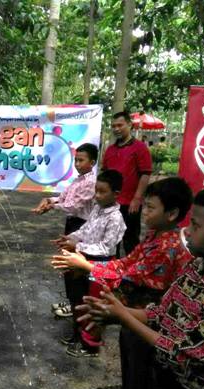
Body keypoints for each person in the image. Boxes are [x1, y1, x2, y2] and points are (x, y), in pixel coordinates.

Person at [79, 184, 204, 389]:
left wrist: (123, 316)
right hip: (167, 382)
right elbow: (161, 314)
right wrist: (115, 312)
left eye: (195, 225)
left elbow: (181, 354)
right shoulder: (196, 266)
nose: (187, 230)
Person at [53, 177, 194, 389]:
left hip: (149, 319)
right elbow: (126, 262)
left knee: (143, 375)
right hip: (130, 313)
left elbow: (129, 274)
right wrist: (86, 262)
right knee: (131, 367)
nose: (144, 212)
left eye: (150, 207)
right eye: (145, 205)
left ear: (171, 213)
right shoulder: (153, 237)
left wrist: (86, 265)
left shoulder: (168, 246)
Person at [51, 169, 126, 357]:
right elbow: (85, 229)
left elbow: (107, 248)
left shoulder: (115, 218)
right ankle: (77, 333)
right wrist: (71, 237)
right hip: (80, 258)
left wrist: (79, 245)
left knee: (92, 304)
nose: (97, 196)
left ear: (116, 194)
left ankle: (90, 345)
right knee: (76, 297)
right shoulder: (97, 209)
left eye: (102, 192)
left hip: (97, 266)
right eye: (96, 191)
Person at [32, 143, 98, 317]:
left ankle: (79, 305)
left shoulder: (91, 182)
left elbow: (74, 205)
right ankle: (72, 301)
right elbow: (63, 197)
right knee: (68, 264)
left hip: (81, 226)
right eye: (76, 160)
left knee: (76, 267)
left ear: (92, 162)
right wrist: (49, 200)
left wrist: (52, 206)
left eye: (81, 160)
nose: (77, 163)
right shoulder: (78, 179)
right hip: (73, 224)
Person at [103, 111, 152, 255]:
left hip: (130, 204)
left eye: (120, 125)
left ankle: (133, 273)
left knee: (130, 240)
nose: (116, 129)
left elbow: (145, 174)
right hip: (111, 203)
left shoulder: (140, 148)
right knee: (111, 240)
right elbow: (105, 174)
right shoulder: (110, 149)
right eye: (113, 126)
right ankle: (113, 272)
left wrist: (137, 199)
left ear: (130, 125)